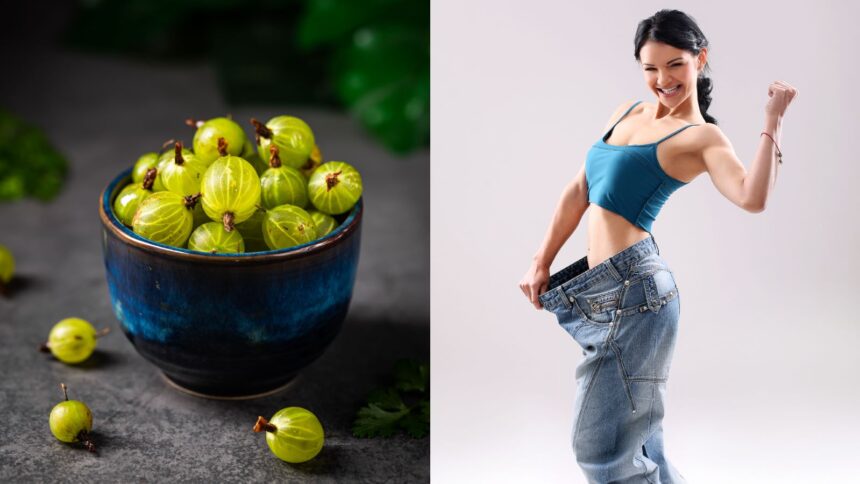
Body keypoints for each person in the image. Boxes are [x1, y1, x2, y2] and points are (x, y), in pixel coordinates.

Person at [518, 9, 797, 483]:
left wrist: (772, 121)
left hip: (638, 294)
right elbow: (579, 189)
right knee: (641, 442)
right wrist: (540, 260)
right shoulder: (626, 112)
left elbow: (753, 197)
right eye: (651, 68)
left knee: (601, 449)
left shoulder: (701, 137)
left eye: (675, 65)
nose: (662, 79)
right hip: (598, 288)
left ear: (699, 59)